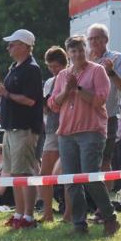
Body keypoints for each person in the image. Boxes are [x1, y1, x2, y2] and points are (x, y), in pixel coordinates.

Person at [47, 35, 119, 237]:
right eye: (73, 51)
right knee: (71, 181)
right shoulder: (62, 75)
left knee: (90, 177)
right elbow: (53, 104)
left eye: (80, 50)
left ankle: (110, 217)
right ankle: (79, 224)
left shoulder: (97, 71)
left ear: (86, 50)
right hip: (66, 133)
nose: (77, 54)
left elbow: (99, 101)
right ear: (68, 53)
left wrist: (77, 88)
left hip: (91, 132)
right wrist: (66, 90)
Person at [0, 29, 44, 229]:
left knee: (24, 174)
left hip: (24, 129)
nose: (8, 47)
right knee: (14, 174)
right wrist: (3, 94)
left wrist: (7, 94)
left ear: (24, 46)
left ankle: (29, 217)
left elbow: (31, 100)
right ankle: (19, 214)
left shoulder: (31, 69)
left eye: (13, 44)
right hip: (11, 128)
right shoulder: (14, 68)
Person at [87, 23, 121, 188]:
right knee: (85, 160)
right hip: (85, 118)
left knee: (105, 160)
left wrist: (111, 72)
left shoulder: (117, 58)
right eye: (90, 39)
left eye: (96, 38)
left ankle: (104, 200)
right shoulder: (84, 59)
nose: (93, 42)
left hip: (108, 117)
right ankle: (88, 197)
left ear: (106, 39)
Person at [39, 47, 71, 224]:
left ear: (64, 63)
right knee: (45, 172)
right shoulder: (49, 82)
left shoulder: (71, 77)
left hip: (69, 129)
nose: (53, 70)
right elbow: (46, 108)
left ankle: (68, 214)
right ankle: (47, 213)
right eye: (50, 66)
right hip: (51, 129)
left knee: (68, 174)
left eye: (56, 66)